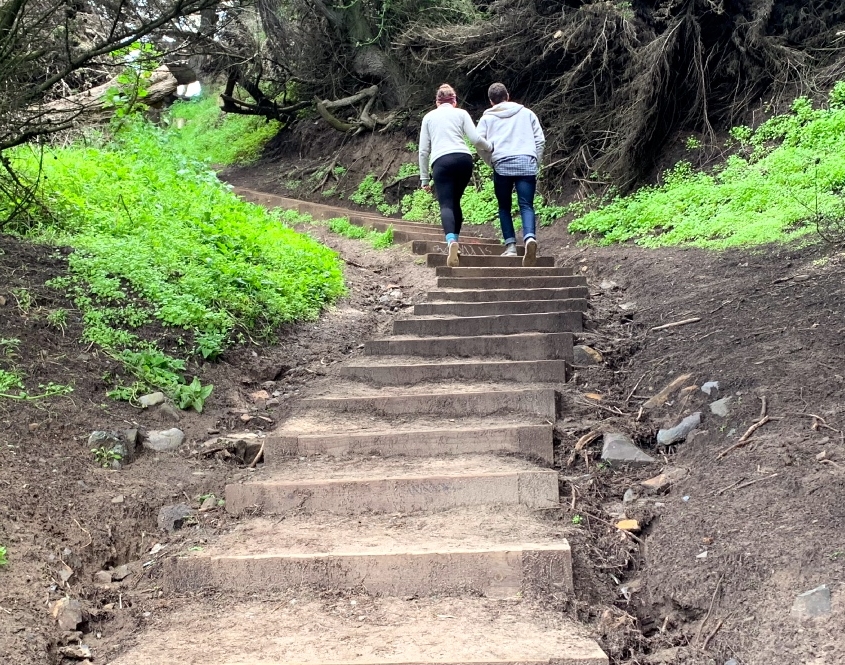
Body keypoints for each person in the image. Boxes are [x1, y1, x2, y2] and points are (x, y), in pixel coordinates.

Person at [419, 84, 492, 267]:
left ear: (437, 102)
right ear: (454, 101)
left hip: (441, 162)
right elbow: (475, 139)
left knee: (446, 204)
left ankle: (451, 241)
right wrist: (490, 147)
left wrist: (424, 178)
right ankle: (455, 242)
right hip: (463, 160)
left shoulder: (428, 117)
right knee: (455, 202)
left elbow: (423, 151)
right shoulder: (461, 113)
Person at [476, 82, 545, 267]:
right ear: (508, 95)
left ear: (491, 101)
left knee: (504, 207)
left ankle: (511, 247)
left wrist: (491, 160)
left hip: (502, 165)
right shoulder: (527, 113)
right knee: (526, 205)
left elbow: (478, 142)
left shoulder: (486, 119)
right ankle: (530, 238)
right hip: (526, 163)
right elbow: (540, 140)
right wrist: (535, 160)